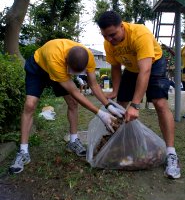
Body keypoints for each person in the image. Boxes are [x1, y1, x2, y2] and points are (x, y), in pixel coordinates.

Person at [9, 39, 125, 174]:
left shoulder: (89, 58)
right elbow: (75, 92)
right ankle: (23, 151)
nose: (74, 74)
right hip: (38, 67)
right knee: (30, 105)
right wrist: (100, 113)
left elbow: (93, 85)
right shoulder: (56, 59)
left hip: (59, 66)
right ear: (66, 61)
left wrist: (108, 105)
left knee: (72, 103)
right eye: (72, 71)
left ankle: (73, 141)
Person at [96, 10, 181, 179]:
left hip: (153, 63)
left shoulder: (139, 34)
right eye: (106, 36)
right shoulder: (109, 43)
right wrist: (115, 90)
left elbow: (145, 70)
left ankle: (171, 154)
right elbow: (114, 67)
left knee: (159, 102)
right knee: (120, 104)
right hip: (131, 68)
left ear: (122, 25)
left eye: (112, 35)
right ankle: (120, 144)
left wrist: (135, 104)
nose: (110, 40)